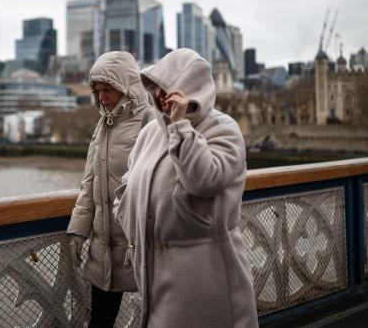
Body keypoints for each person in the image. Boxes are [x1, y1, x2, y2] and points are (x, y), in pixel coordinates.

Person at [114, 48, 259, 327]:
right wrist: (124, 212)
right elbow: (129, 181)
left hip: (204, 273)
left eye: (166, 88)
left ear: (192, 89)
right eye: (154, 86)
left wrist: (181, 127)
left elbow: (204, 181)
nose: (158, 95)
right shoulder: (149, 133)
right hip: (154, 272)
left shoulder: (223, 128)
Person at [67, 51, 152, 327]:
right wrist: (79, 231)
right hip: (104, 245)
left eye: (108, 89)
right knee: (100, 319)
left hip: (140, 240)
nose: (102, 97)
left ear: (127, 86)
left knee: (155, 316)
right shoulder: (102, 125)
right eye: (98, 90)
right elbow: (89, 183)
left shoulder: (149, 120)